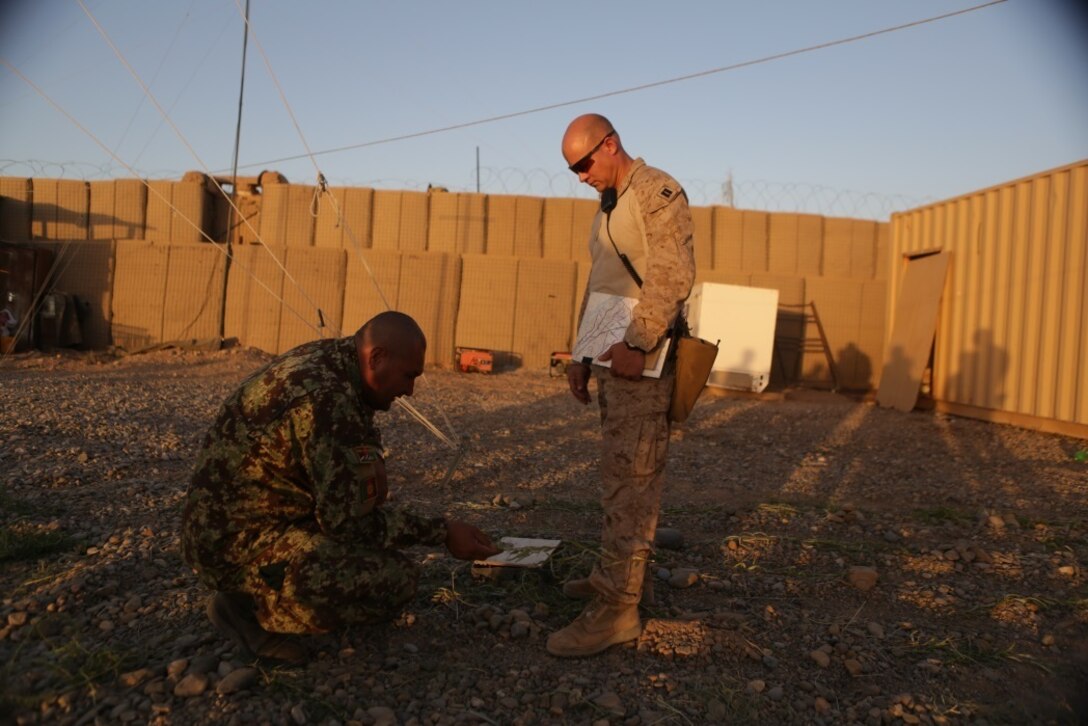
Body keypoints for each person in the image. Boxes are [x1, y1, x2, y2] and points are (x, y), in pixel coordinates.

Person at [181, 311, 499, 664]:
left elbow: (352, 467)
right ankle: (247, 607)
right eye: (408, 376)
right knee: (395, 579)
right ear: (376, 357)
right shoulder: (326, 402)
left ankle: (257, 589)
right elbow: (348, 525)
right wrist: (443, 532)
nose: (410, 390)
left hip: (243, 526)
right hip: (237, 547)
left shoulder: (333, 361)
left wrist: (369, 468)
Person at [548, 113, 696, 657]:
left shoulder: (656, 190)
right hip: (615, 362)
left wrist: (637, 344)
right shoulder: (606, 211)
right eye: (572, 169)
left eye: (584, 162)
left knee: (633, 481)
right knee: (618, 476)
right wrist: (581, 355)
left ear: (610, 144)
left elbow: (672, 272)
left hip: (642, 362)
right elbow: (602, 286)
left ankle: (616, 610)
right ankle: (619, 577)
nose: (580, 174)